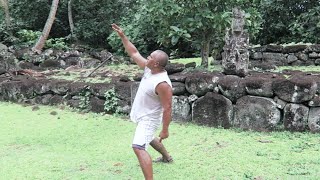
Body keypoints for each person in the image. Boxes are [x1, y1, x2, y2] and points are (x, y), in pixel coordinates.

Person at [112, 23, 173, 180]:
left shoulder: (162, 83)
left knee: (138, 146)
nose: (147, 57)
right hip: (142, 114)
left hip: (149, 118)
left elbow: (167, 108)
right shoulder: (149, 69)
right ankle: (167, 157)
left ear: (156, 63)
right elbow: (133, 52)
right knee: (149, 137)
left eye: (151, 57)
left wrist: (165, 130)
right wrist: (123, 36)